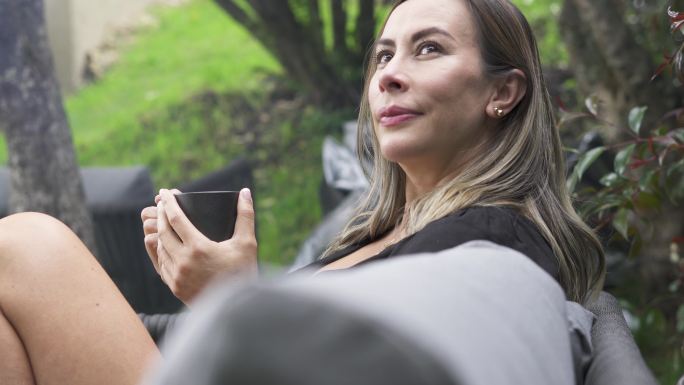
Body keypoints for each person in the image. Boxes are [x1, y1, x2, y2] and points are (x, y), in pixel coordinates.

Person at [0, 0, 606, 384]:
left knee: (28, 246)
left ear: (504, 93)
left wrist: (232, 297)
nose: (389, 74)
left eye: (430, 49)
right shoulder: (385, 230)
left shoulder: (494, 240)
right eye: (384, 55)